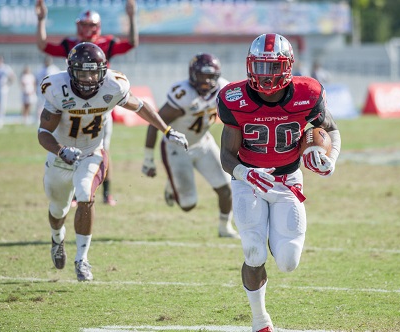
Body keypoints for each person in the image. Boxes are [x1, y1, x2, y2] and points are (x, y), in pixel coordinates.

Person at [217, 33, 341, 332]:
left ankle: (271, 235)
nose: (266, 75)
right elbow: (226, 156)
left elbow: (331, 129)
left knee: (288, 262)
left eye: (273, 67)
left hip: (288, 180)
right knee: (253, 252)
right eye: (260, 66)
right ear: (249, 66)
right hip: (250, 181)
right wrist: (245, 174)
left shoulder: (308, 92)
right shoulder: (234, 98)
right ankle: (260, 320)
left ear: (288, 67)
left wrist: (331, 158)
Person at [37, 42, 188, 281]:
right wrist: (60, 150)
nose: (88, 78)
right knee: (58, 209)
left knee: (86, 194)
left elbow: (140, 107)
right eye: (82, 72)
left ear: (103, 71)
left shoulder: (113, 85)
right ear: (70, 72)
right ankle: (57, 238)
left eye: (93, 72)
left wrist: (167, 129)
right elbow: (43, 133)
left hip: (91, 152)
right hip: (60, 156)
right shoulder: (57, 89)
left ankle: (82, 259)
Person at [35, 0, 139, 206]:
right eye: (84, 25)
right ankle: (74, 193)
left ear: (98, 27)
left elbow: (131, 43)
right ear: (77, 26)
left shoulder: (107, 42)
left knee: (101, 149)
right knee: (71, 146)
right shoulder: (69, 44)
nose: (87, 29)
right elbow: (44, 46)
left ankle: (105, 192)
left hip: (99, 103)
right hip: (73, 104)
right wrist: (41, 20)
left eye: (91, 25)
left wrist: (131, 17)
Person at [142, 53, 239, 239]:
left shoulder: (224, 89)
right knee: (188, 205)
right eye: (203, 76)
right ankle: (172, 185)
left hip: (203, 142)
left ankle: (224, 227)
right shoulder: (183, 95)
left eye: (211, 76)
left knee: (226, 187)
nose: (207, 81)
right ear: (193, 75)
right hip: (176, 148)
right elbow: (155, 123)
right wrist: (148, 159)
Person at [34, 56, 60, 125]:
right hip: (41, 90)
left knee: (51, 106)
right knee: (39, 105)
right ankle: (38, 119)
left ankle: (50, 119)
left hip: (51, 91)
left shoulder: (54, 69)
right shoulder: (40, 69)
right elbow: (36, 80)